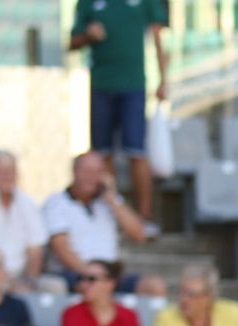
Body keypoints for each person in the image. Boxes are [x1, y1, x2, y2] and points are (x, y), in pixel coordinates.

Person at [68, 0, 168, 226]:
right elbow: (73, 41)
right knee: (103, 154)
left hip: (133, 87)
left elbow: (158, 38)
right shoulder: (87, 3)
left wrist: (163, 80)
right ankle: (111, 214)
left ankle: (144, 216)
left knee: (136, 151)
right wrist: (88, 36)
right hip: (100, 87)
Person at [42, 153, 159, 293]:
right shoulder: (56, 203)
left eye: (97, 172)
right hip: (74, 274)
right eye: (87, 171)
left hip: (109, 275)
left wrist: (112, 198)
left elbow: (139, 234)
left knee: (153, 286)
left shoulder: (111, 201)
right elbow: (62, 248)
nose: (91, 177)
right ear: (74, 172)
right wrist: (93, 276)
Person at [0, 152, 49, 290]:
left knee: (54, 287)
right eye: (1, 171)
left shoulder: (27, 202)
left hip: (22, 276)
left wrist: (29, 281)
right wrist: (7, 281)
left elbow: (36, 249)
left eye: (11, 171)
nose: (7, 176)